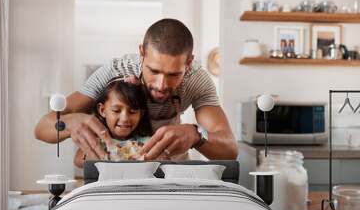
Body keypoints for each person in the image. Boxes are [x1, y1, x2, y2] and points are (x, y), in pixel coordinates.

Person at [35, 18, 238, 161]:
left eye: (173, 74)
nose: (161, 85)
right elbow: (42, 128)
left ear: (189, 62)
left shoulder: (197, 79)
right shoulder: (114, 71)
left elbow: (229, 149)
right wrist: (69, 122)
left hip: (173, 171)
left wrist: (196, 135)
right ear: (141, 53)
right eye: (154, 70)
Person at [73, 78, 153, 167]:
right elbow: (78, 161)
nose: (125, 118)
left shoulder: (147, 143)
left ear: (141, 114)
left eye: (132, 111)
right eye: (116, 110)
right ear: (102, 110)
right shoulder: (96, 141)